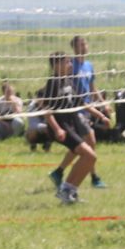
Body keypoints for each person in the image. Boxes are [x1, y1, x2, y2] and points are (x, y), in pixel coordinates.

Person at [43, 51, 99, 205]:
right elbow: (46, 111)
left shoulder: (68, 81)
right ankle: (66, 190)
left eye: (69, 61)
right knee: (90, 156)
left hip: (71, 126)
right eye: (67, 62)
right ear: (56, 65)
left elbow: (81, 103)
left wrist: (101, 115)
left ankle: (70, 191)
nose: (70, 64)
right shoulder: (52, 83)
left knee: (88, 156)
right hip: (62, 127)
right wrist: (57, 129)